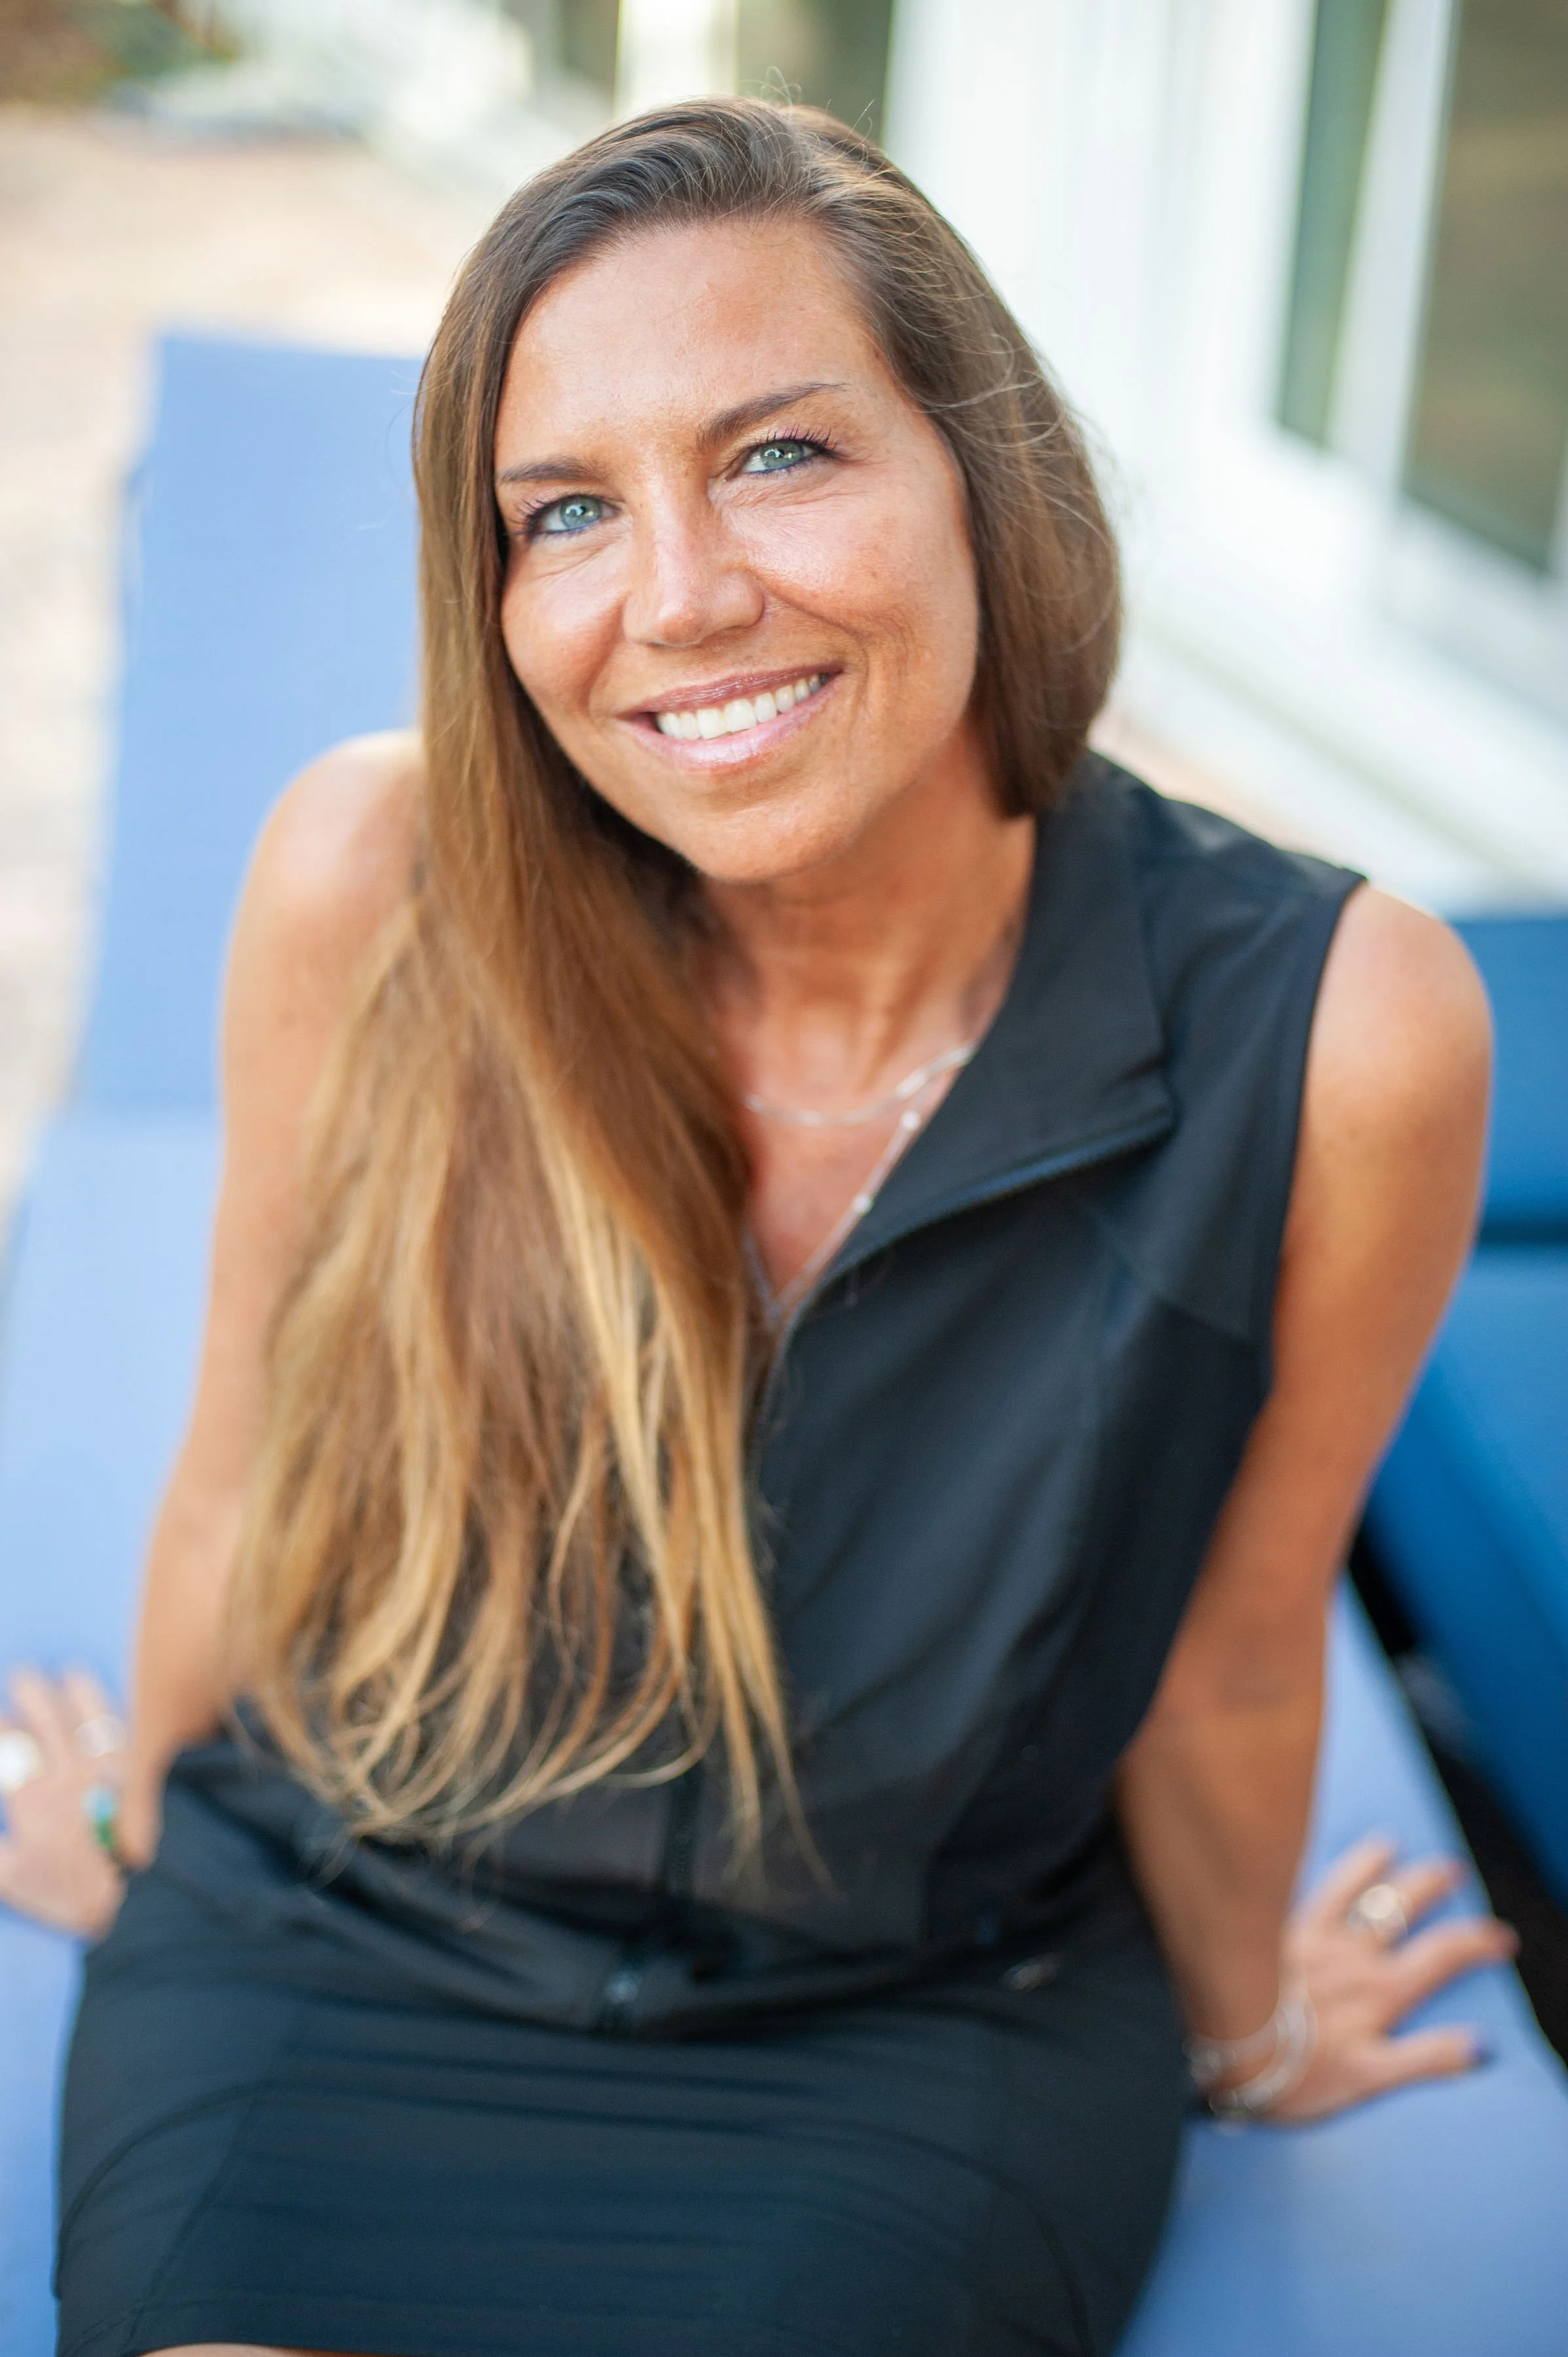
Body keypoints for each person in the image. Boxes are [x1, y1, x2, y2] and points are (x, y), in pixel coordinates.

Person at [0, 98, 1514, 2357]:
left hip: (921, 2009)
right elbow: (250, 1448)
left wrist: (1246, 2032)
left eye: (784, 456)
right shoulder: (373, 879)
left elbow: (1241, 1630)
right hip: (339, 1930)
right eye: (569, 513)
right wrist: (143, 1822)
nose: (679, 597)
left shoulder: (1341, 1022)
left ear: (979, 478)